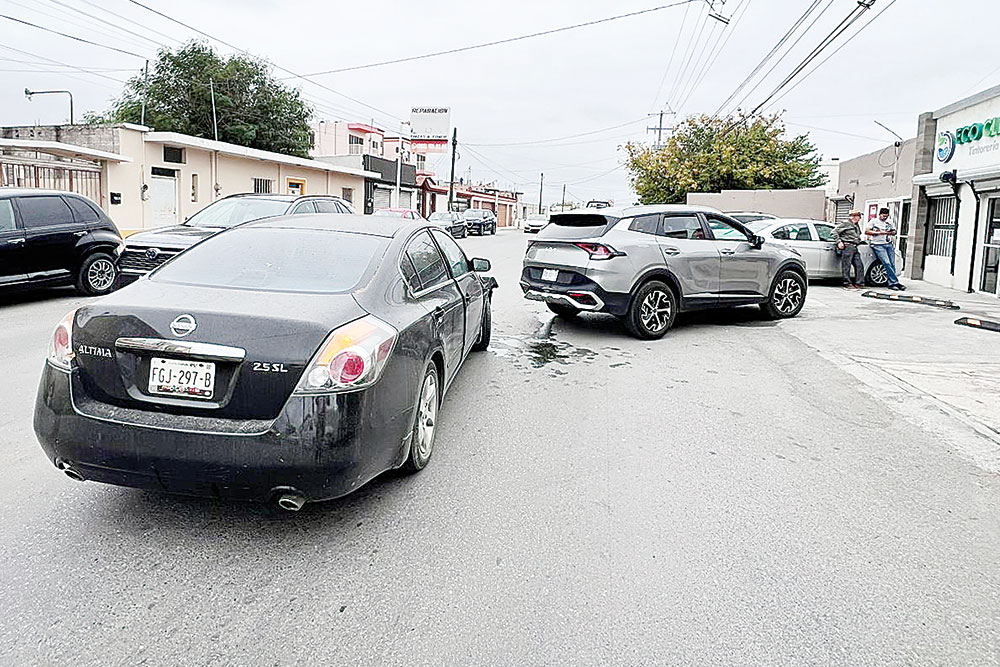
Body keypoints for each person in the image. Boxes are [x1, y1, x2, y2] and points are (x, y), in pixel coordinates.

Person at [865, 207, 906, 291]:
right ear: (879, 215)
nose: (884, 218)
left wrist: (891, 232)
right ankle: (894, 282)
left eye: (886, 216)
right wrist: (878, 232)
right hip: (878, 244)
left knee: (892, 264)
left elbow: (894, 232)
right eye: (883, 216)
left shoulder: (889, 222)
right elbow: (867, 231)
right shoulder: (873, 221)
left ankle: (892, 282)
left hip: (888, 244)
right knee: (886, 263)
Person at [833, 209, 865, 289]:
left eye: (858, 216)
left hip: (854, 247)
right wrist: (839, 242)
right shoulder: (846, 223)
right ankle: (846, 283)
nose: (857, 218)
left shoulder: (856, 225)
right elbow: (834, 232)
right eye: (855, 216)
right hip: (847, 246)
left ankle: (859, 283)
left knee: (859, 265)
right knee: (846, 265)